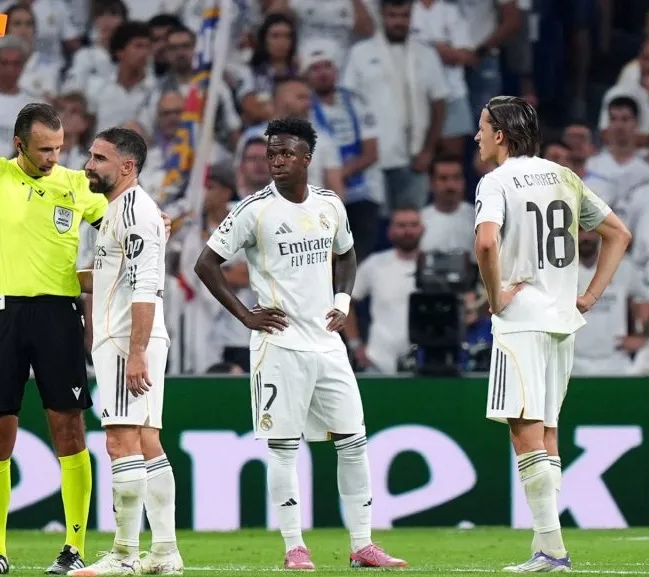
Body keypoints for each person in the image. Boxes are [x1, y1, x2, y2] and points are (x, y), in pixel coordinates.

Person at [193, 117, 408, 571]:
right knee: (284, 447)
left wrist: (343, 301)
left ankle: (363, 544)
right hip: (279, 345)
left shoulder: (330, 203)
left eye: (286, 153)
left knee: (353, 441)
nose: (276, 161)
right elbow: (206, 263)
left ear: (307, 159)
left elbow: (346, 253)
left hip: (327, 343)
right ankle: (295, 546)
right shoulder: (254, 210)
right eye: (271, 153)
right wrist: (246, 315)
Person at [0, 27, 105, 576]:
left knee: (70, 431)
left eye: (59, 148)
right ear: (19, 144)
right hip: (3, 314)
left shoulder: (77, 184)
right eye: (45, 149)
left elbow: (118, 219)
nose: (54, 157)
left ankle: (74, 548)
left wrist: (146, 218)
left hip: (60, 315)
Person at [473, 96, 632, 573]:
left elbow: (486, 242)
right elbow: (618, 233)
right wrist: (589, 295)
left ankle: (553, 551)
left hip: (521, 320)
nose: (477, 136)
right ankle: (547, 546)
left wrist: (495, 296)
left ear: (500, 135)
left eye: (482, 127)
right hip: (562, 321)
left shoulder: (496, 181)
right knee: (546, 432)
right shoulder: (563, 176)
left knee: (525, 434)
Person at [69, 127, 182, 576]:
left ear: (127, 166)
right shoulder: (121, 211)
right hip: (133, 337)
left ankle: (124, 554)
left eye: (99, 158)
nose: (89, 165)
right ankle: (165, 552)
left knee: (120, 440)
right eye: (91, 156)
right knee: (147, 440)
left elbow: (145, 288)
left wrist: (135, 353)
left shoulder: (134, 212)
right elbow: (112, 277)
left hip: (126, 339)